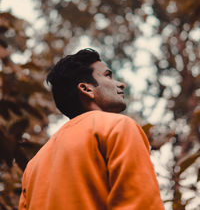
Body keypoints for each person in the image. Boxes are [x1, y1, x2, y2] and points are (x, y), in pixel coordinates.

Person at [19, 48, 164, 210]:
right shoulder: (117, 127)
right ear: (86, 89)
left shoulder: (33, 167)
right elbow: (141, 205)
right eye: (108, 75)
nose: (121, 84)